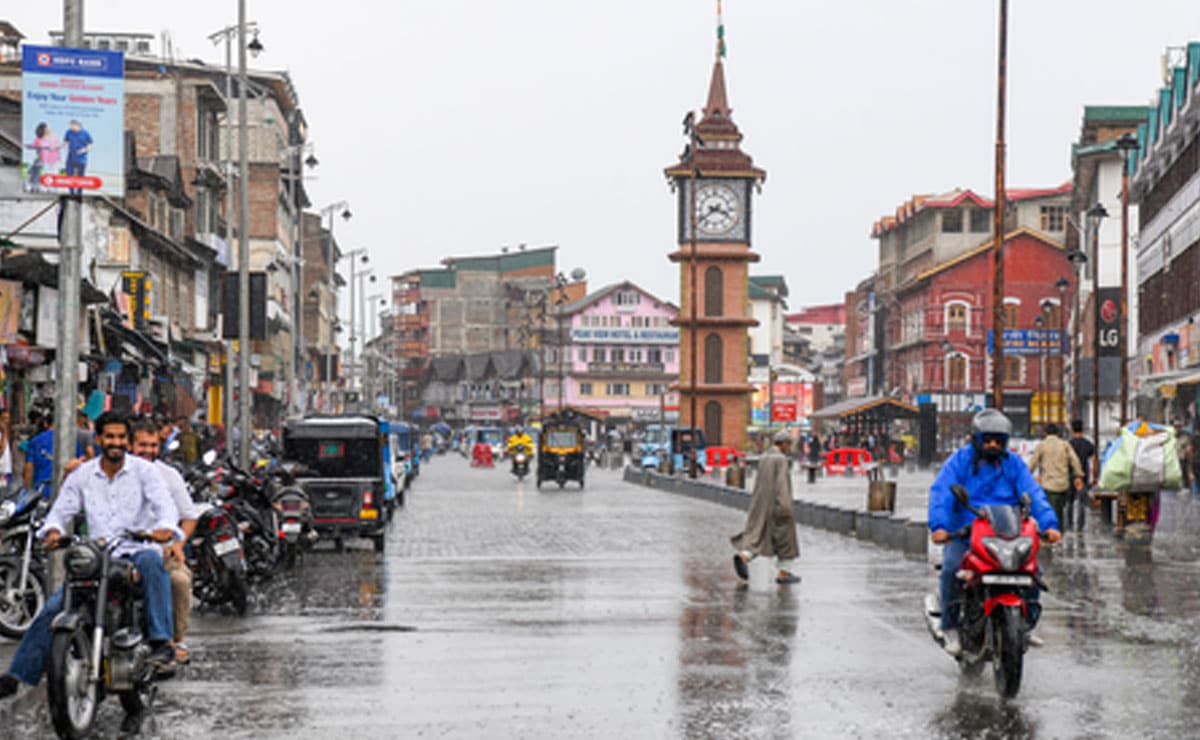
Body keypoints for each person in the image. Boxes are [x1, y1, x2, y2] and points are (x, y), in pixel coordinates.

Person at [0, 411, 181, 703]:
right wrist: (54, 531)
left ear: (128, 441)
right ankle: (18, 674)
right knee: (54, 607)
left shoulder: (145, 473)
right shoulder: (82, 474)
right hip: (96, 555)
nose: (116, 442)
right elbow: (61, 511)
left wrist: (164, 530)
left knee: (152, 562)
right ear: (98, 440)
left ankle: (162, 643)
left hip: (135, 551)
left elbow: (165, 507)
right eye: (110, 436)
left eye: (122, 437)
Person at [928, 409, 1061, 657]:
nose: (992, 445)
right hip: (966, 532)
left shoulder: (1013, 464)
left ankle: (1026, 624)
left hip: (1006, 530)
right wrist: (940, 527)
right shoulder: (959, 461)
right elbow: (942, 493)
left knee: (1033, 572)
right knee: (951, 568)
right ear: (976, 438)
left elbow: (1034, 493)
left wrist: (1049, 524)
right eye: (987, 439)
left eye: (997, 441)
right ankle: (950, 626)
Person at [131, 420, 199, 664]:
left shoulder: (169, 476)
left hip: (159, 550)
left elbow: (188, 517)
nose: (147, 450)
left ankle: (174, 638)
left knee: (179, 580)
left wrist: (177, 545)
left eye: (153, 445)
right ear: (130, 445)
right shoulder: (114, 471)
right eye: (142, 445)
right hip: (119, 550)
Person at [731, 429, 801, 585]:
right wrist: (786, 508)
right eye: (788, 444)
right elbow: (782, 486)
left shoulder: (764, 458)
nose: (789, 447)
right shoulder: (780, 460)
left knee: (760, 537)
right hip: (777, 507)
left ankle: (744, 557)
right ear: (782, 444)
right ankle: (784, 573)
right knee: (786, 540)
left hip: (761, 505)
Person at [1028, 422, 1084, 529]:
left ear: (1045, 433)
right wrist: (1078, 475)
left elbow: (1032, 463)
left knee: (1049, 510)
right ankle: (1060, 532)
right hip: (1063, 485)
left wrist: (1025, 477)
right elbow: (1075, 460)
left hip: (1048, 485)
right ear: (1058, 433)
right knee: (1060, 510)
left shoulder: (1041, 445)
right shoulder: (1065, 445)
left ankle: (1052, 532)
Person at [1067, 419, 1096, 529]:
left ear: (1072, 429)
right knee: (1081, 503)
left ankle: (1069, 524)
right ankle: (1080, 526)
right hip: (1083, 477)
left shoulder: (1068, 444)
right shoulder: (1088, 444)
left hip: (1070, 476)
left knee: (1069, 502)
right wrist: (1095, 476)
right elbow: (1094, 460)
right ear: (1082, 429)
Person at [0, 409, 11, 485]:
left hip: (5, 471)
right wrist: (4, 433)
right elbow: (1, 451)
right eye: (3, 419)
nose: (6, 421)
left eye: (8, 418)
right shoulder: (2, 433)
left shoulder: (4, 433)